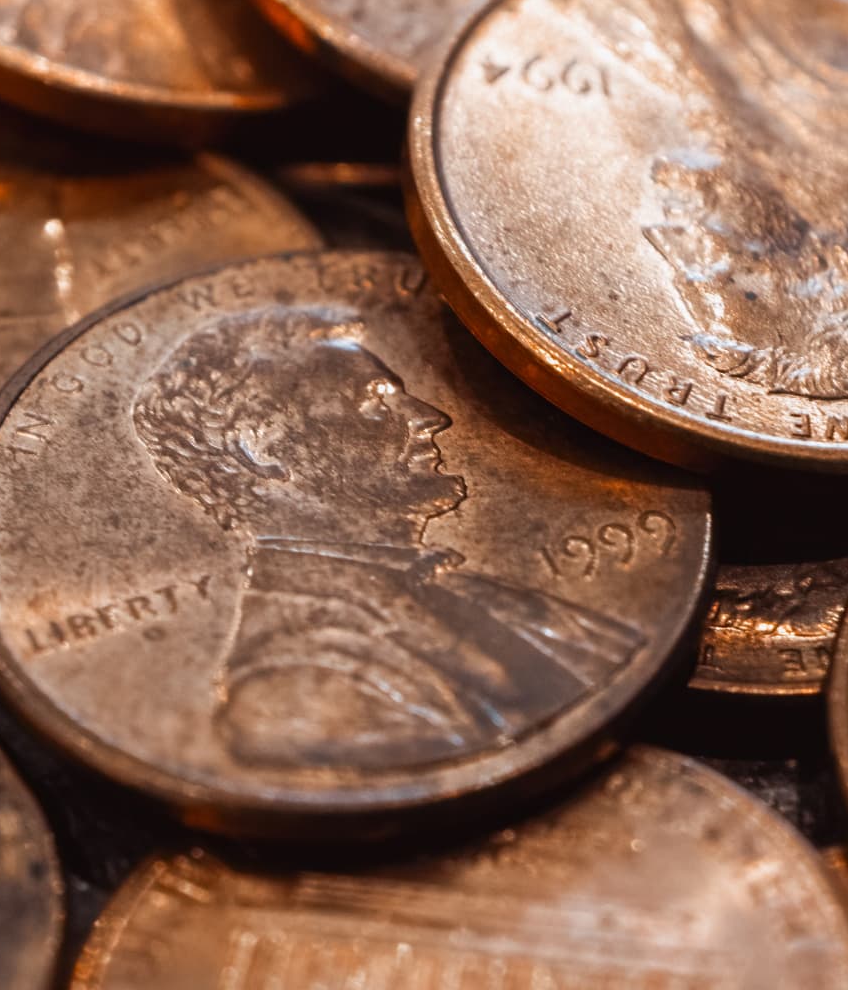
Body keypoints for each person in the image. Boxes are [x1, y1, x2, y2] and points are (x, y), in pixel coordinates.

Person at [132, 309, 646, 771]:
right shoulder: (294, 694)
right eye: (375, 403)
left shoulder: (479, 595)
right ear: (261, 448)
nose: (430, 418)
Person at [558, 0, 848, 400]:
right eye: (718, 267)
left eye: (687, 270)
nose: (664, 236)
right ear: (829, 271)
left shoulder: (673, 102)